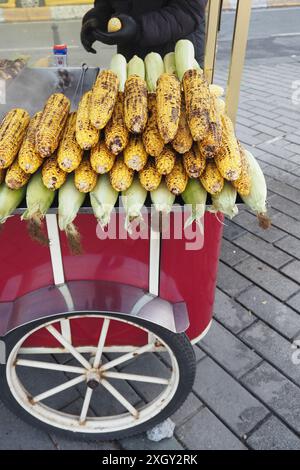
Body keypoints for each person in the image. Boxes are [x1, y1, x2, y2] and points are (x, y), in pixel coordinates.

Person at [81, 1, 208, 67]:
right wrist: (100, 14)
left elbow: (186, 10)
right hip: (131, 53)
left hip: (176, 56)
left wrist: (139, 29)